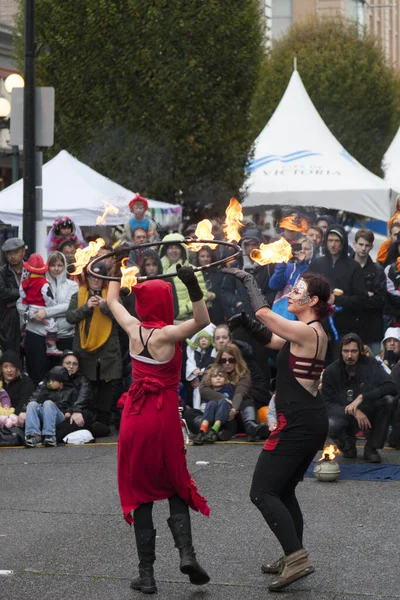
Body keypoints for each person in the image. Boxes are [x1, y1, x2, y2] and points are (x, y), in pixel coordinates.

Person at [224, 268, 330, 591]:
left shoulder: (310, 332)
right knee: (283, 491)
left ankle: (297, 557)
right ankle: (292, 555)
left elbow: (266, 313)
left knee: (262, 491)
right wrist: (247, 323)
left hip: (297, 425)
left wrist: (248, 280)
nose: (291, 293)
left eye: (298, 290)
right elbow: (272, 338)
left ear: (312, 300)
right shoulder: (306, 331)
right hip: (306, 422)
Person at [107, 265, 210, 593]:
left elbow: (111, 299)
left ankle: (146, 575)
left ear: (142, 305)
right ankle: (187, 554)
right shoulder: (168, 334)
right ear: (164, 304)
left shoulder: (133, 328)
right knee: (175, 482)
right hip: (163, 417)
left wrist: (113, 268)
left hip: (136, 417)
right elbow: (202, 321)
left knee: (141, 491)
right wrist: (192, 286)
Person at [320, 333, 396, 463]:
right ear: (341, 351)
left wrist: (363, 397)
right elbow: (327, 404)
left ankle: (371, 448)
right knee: (330, 423)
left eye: (353, 351)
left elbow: (392, 387)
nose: (349, 356)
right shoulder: (331, 371)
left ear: (360, 351)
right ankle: (347, 445)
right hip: (344, 415)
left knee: (389, 401)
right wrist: (354, 411)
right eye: (346, 351)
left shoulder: (371, 364)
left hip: (369, 412)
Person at [66, 262, 122, 435]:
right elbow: (70, 317)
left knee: (106, 386)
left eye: (99, 277)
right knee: (88, 384)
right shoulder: (79, 295)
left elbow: (121, 317)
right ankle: (88, 420)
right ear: (87, 278)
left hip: (107, 350)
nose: (96, 281)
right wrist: (87, 307)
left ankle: (104, 421)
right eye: (92, 277)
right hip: (85, 350)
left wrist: (105, 306)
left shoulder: (112, 296)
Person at [308, 224, 367, 354]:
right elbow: (307, 291)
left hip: (344, 327)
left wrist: (336, 300)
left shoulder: (354, 267)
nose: (333, 245)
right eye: (330, 240)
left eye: (337, 241)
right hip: (318, 325)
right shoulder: (317, 264)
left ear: (343, 243)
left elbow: (361, 299)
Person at [159, 233, 208, 321]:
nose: (174, 251)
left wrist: (184, 309)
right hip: (164, 320)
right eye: (170, 247)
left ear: (183, 250)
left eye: (177, 247)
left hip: (187, 318)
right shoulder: (158, 271)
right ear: (165, 250)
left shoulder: (193, 270)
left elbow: (202, 295)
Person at [352, 229, 386, 355]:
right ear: (354, 244)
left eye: (367, 245)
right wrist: (366, 295)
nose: (363, 248)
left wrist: (354, 298)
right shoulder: (345, 266)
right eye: (361, 244)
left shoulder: (377, 271)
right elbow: (340, 296)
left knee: (372, 366)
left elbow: (380, 300)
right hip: (348, 325)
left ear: (371, 247)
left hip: (371, 327)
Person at [24, 365, 72, 447]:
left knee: (48, 403)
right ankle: (33, 435)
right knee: (32, 404)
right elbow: (34, 398)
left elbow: (74, 403)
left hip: (60, 416)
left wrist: (70, 411)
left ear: (61, 383)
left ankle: (50, 435)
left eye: (53, 381)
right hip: (45, 413)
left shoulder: (69, 390)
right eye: (50, 380)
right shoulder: (44, 388)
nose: (50, 382)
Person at [192, 364, 235, 445]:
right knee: (211, 403)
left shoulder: (229, 387)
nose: (218, 378)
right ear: (210, 379)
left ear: (225, 378)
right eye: (215, 376)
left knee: (223, 401)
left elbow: (233, 401)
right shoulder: (209, 391)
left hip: (226, 418)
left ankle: (214, 431)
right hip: (210, 418)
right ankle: (202, 431)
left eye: (221, 376)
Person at [0, 237, 25, 353]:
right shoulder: (2, 272)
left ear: (23, 252)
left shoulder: (32, 269)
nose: (13, 256)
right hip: (9, 321)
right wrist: (26, 292)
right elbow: (3, 294)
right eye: (9, 253)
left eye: (16, 252)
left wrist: (15, 298)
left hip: (31, 319)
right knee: (11, 358)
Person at [0, 350, 35, 427]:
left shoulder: (25, 381)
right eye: (5, 366)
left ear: (17, 368)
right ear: (1, 369)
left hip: (17, 420)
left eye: (12, 366)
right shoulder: (0, 382)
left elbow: (24, 402)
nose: (9, 370)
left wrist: (10, 417)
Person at [185, 326, 215, 410]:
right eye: (201, 338)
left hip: (207, 380)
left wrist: (203, 371)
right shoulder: (194, 352)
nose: (203, 340)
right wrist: (194, 370)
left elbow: (212, 365)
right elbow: (190, 363)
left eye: (206, 338)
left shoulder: (212, 353)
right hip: (195, 380)